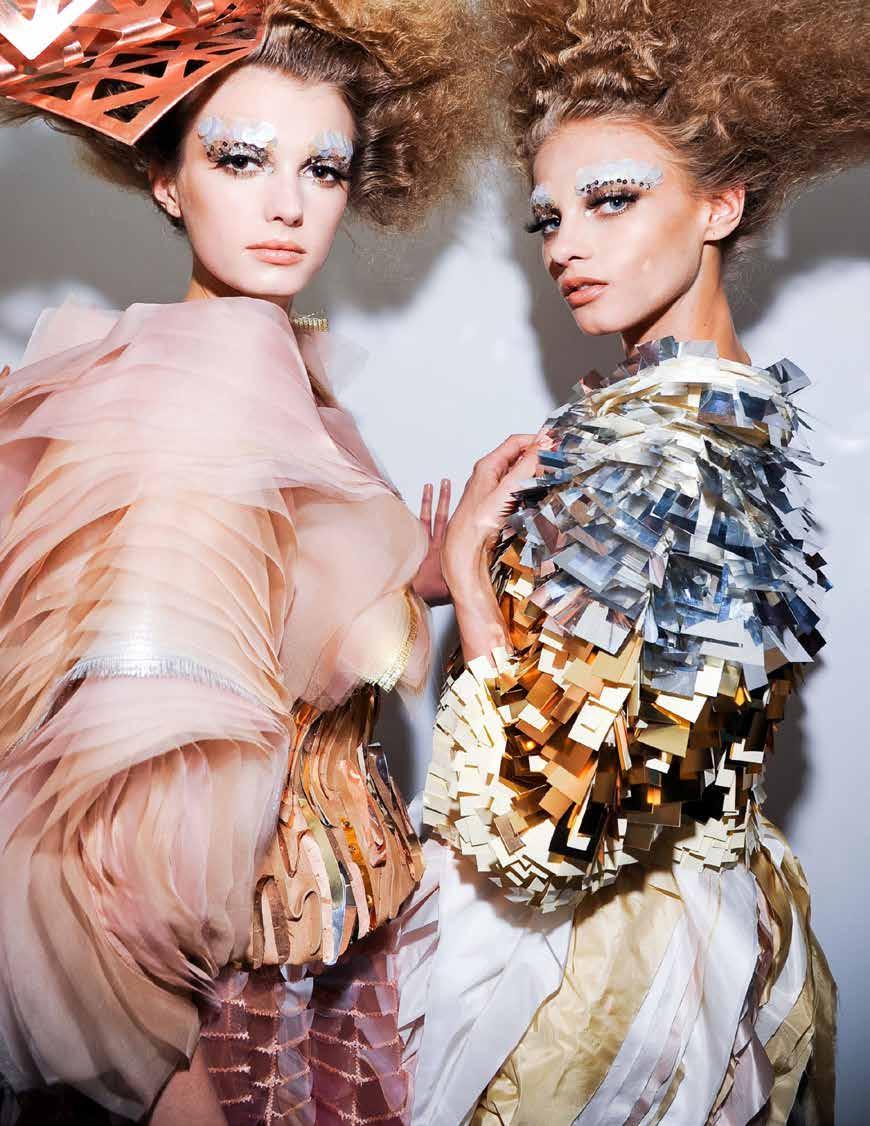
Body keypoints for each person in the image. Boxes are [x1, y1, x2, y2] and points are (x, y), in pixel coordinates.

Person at [0, 1, 470, 1121]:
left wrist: (425, 575)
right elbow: (100, 840)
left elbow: (271, 626)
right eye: (241, 158)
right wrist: (176, 1094)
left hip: (317, 960)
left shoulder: (270, 376)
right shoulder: (195, 394)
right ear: (166, 178)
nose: (288, 205)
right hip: (219, 1010)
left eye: (324, 168)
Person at [415, 0, 869, 1122]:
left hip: (607, 973)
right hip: (649, 928)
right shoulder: (671, 420)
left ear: (721, 203)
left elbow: (556, 827)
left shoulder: (681, 452)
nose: (565, 245)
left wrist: (471, 577)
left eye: (611, 199)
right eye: (549, 216)